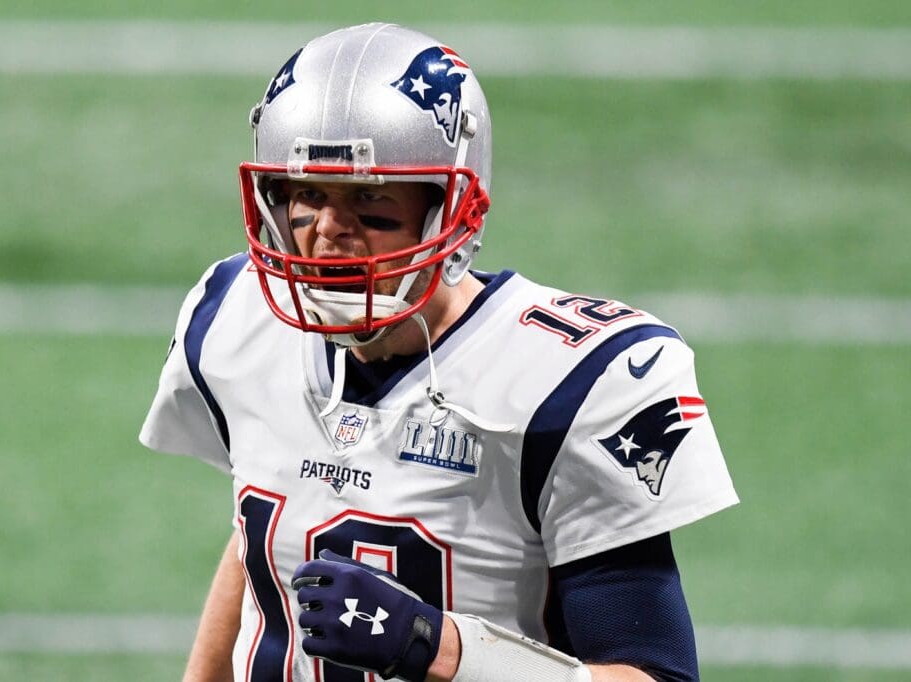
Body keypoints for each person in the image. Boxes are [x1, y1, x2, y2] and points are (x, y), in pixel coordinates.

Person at [140, 22, 738, 682]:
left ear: (453, 206)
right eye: (309, 195)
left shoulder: (572, 380)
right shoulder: (235, 318)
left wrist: (440, 647)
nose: (330, 232)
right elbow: (259, 544)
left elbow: (656, 675)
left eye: (369, 199)